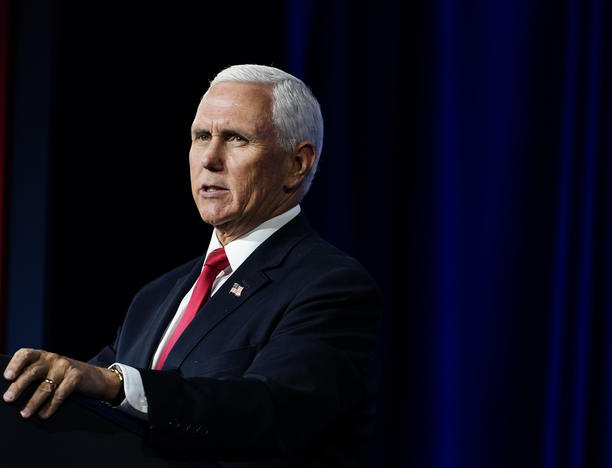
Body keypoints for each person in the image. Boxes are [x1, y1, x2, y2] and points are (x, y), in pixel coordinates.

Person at [2, 64, 382, 466]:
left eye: (236, 138)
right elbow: (83, 399)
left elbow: (269, 412)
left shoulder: (331, 287)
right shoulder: (157, 296)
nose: (210, 159)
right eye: (201, 137)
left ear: (297, 164)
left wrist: (116, 384)